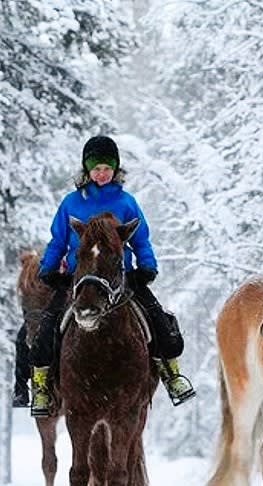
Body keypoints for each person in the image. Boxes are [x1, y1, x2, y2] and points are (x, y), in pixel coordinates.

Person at [27, 135, 196, 414]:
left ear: (116, 169)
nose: (102, 174)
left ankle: (172, 375)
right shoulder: (71, 203)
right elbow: (58, 240)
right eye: (96, 168)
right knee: (47, 328)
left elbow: (141, 239)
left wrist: (147, 267)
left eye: (107, 168)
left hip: (120, 277)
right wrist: (48, 268)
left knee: (159, 320)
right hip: (79, 278)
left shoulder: (126, 202)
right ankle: (42, 387)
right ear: (86, 170)